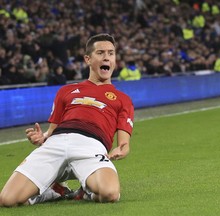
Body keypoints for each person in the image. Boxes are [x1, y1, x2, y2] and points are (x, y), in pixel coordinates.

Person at [0, 33, 134, 207]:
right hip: (56, 143)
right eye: (100, 53)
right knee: (7, 200)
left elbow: (124, 144)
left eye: (111, 53)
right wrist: (43, 137)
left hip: (91, 145)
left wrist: (121, 150)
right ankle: (54, 191)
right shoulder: (66, 91)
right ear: (88, 59)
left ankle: (86, 193)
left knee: (110, 193)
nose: (106, 57)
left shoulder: (123, 99)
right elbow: (52, 129)